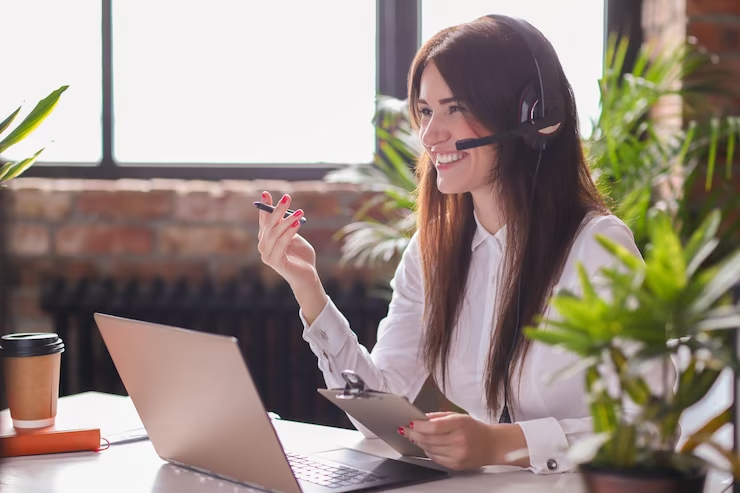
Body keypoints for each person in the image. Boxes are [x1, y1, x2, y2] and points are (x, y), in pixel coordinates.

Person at [256, 15, 672, 474]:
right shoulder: (431, 252)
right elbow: (377, 412)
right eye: (426, 110)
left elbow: (649, 425)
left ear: (532, 118)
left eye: (454, 108)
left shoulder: (596, 246)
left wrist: (503, 445)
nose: (431, 134)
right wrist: (308, 289)